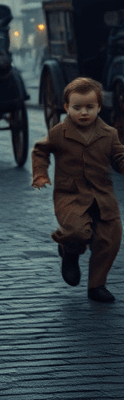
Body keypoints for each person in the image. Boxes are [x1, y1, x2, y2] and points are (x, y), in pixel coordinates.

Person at [31, 77, 124, 303]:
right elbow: (40, 151)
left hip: (103, 197)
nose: (84, 113)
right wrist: (40, 173)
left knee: (109, 239)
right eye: (77, 107)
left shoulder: (109, 134)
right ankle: (69, 250)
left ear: (99, 107)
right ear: (66, 108)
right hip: (70, 196)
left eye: (90, 107)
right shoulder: (58, 133)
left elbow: (119, 157)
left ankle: (97, 285)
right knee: (76, 231)